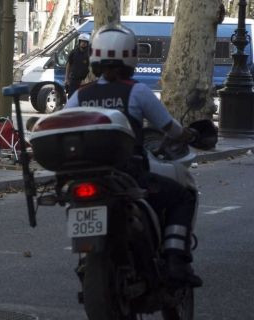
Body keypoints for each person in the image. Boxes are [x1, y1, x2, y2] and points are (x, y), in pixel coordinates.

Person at [65, 22, 202, 287]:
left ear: (95, 57)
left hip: (88, 176)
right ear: (131, 57)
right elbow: (169, 127)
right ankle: (175, 259)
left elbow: (62, 122)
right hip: (131, 176)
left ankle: (85, 260)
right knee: (181, 196)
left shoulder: (81, 95)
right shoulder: (137, 91)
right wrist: (188, 135)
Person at [64, 33, 91, 97]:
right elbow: (69, 65)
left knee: (84, 99)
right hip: (74, 80)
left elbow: (92, 69)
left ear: (88, 43)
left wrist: (87, 80)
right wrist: (66, 79)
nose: (83, 43)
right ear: (79, 42)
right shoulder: (74, 52)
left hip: (85, 82)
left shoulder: (90, 53)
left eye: (85, 42)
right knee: (71, 98)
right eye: (82, 41)